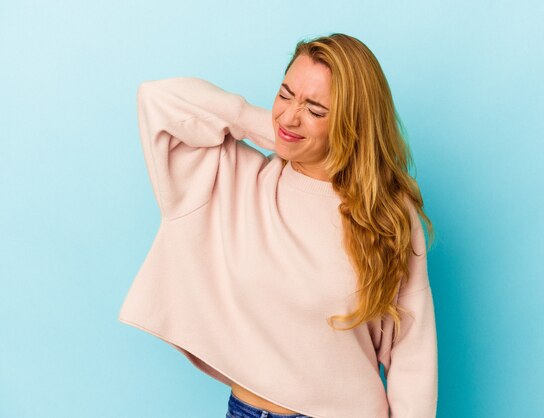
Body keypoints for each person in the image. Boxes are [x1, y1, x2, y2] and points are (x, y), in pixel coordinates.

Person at [118, 33, 438, 418]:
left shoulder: (387, 212)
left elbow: (412, 351)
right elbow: (157, 100)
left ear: (352, 123)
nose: (290, 115)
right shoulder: (234, 178)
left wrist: (318, 144)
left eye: (316, 110)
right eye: (285, 94)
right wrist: (282, 135)